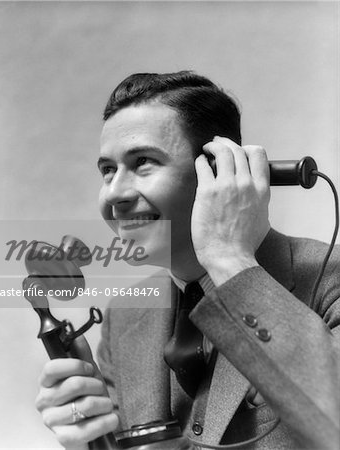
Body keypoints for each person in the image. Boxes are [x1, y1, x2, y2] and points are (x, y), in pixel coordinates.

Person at [35, 71, 340, 449]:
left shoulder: (330, 278)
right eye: (108, 170)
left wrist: (229, 258)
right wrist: (92, 439)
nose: (114, 194)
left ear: (218, 170)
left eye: (143, 162)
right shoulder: (126, 316)